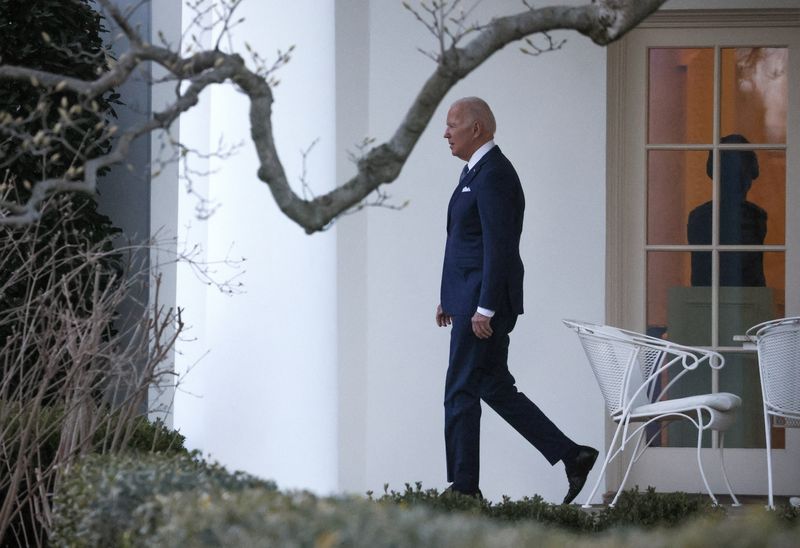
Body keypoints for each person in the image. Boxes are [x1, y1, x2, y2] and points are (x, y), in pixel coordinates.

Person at [436, 97, 597, 504]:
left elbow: (500, 246)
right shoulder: (473, 172)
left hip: (482, 305)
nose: (446, 133)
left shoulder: (495, 175)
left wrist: (484, 307)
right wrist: (447, 297)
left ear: (477, 129)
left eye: (452, 125)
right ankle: (571, 455)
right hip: (468, 299)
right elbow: (462, 241)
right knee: (492, 386)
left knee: (460, 390)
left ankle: (464, 490)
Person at [688, 134, 767, 287]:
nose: (741, 179)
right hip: (711, 302)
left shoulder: (757, 216)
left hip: (747, 302)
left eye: (743, 171)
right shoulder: (701, 217)